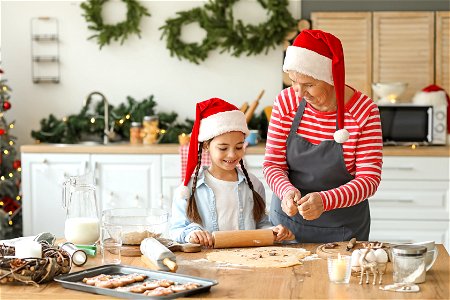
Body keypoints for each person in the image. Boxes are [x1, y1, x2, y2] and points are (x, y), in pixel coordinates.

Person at [264, 30, 383, 243]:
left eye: (309, 84)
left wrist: (325, 200)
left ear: (331, 78)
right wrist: (286, 191)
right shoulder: (285, 102)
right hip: (287, 228)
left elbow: (369, 180)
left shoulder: (364, 112)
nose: (299, 93)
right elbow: (273, 164)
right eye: (293, 81)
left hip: (344, 232)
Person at [171, 98, 294, 246]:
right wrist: (191, 234)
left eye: (238, 147)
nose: (232, 155)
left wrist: (272, 232)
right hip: (207, 262)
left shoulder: (254, 185)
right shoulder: (189, 189)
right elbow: (176, 230)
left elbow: (261, 223)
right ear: (206, 146)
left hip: (247, 261)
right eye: (223, 148)